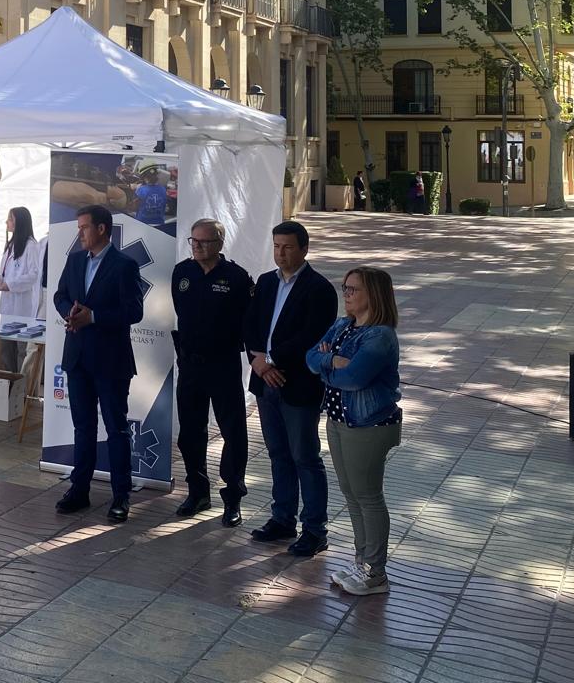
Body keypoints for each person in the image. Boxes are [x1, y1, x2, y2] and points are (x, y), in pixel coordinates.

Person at [243, 220, 337, 558]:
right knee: (277, 454)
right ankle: (282, 519)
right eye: (276, 246)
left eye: (287, 247)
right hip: (264, 381)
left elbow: (312, 337)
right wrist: (257, 361)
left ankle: (315, 530)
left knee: (305, 458)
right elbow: (250, 324)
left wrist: (269, 359)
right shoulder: (266, 283)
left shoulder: (320, 289)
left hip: (297, 385)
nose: (280, 253)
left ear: (304, 249)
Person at [306, 266, 402, 596]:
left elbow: (356, 378)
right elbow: (309, 358)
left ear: (373, 295)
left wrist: (328, 362)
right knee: (351, 493)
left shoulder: (379, 336)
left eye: (353, 289)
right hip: (338, 420)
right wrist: (334, 362)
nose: (345, 294)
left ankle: (376, 572)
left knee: (368, 496)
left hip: (369, 425)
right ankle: (362, 561)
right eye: (344, 288)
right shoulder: (342, 325)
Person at [52, 204, 145, 524]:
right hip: (77, 357)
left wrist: (94, 317)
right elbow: (60, 295)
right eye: (78, 227)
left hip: (110, 361)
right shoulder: (75, 260)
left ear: (102, 229)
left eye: (84, 227)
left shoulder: (124, 265)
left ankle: (121, 495)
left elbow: (134, 312)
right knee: (83, 427)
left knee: (116, 430)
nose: (79, 233)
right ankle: (80, 489)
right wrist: (70, 312)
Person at [170, 218, 255, 525]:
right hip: (191, 365)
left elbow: (248, 323)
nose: (197, 246)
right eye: (193, 241)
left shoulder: (236, 277)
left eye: (204, 242)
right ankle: (197, 491)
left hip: (224, 365)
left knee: (233, 432)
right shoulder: (182, 272)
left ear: (219, 244)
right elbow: (182, 314)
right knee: (191, 433)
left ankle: (232, 498)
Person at [0, 207, 45, 372]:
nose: (7, 222)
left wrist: (11, 285)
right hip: (8, 306)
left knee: (22, 349)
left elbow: (34, 275)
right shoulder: (11, 245)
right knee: (6, 348)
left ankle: (21, 388)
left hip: (22, 307)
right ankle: (9, 382)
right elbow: (6, 270)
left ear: (20, 222)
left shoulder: (31, 246)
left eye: (11, 219)